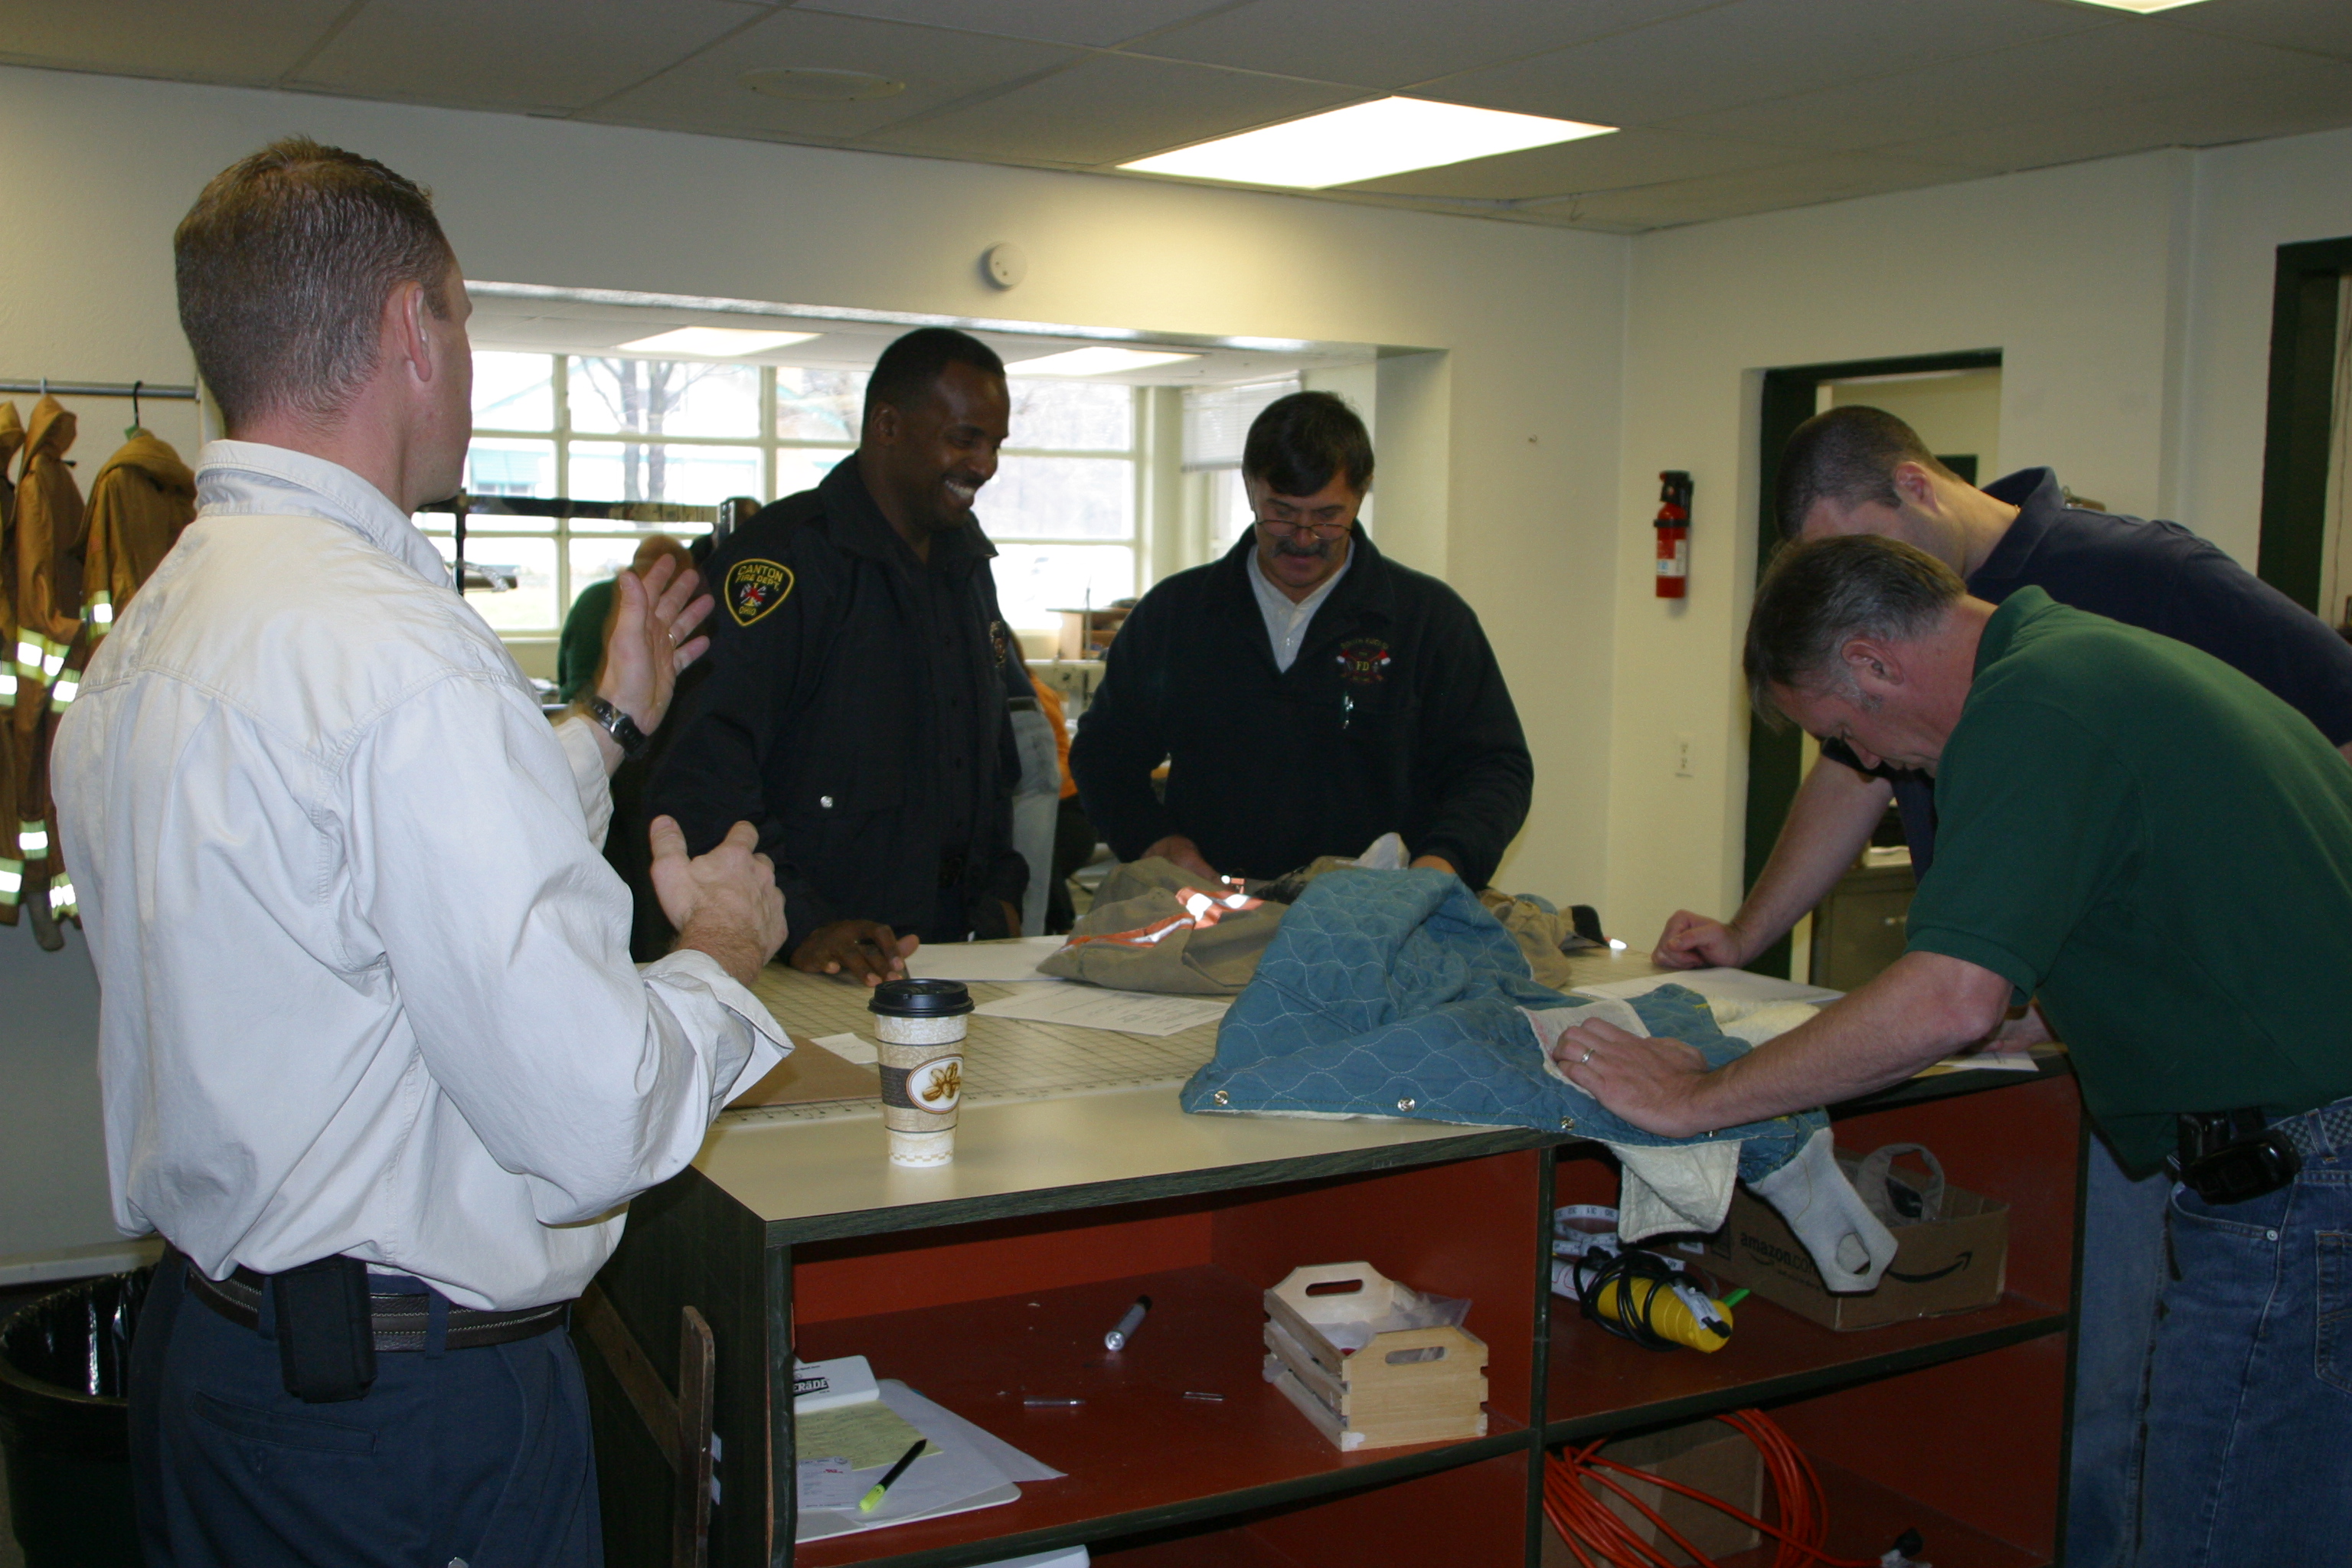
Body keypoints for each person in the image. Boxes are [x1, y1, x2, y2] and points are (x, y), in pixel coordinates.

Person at [52, 139, 789, 1566]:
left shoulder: (158, 630)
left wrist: (609, 726)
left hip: (219, 1370)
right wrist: (718, 954)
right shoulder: (400, 656)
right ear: (412, 328)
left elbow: (350, 874)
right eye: (463, 318)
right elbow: (595, 1119)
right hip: (399, 1426)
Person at [1649, 405, 2352, 1568]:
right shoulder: (2074, 655)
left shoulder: (2035, 708)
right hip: (2309, 1165)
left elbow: (1952, 998)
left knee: (2214, 1529)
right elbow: (2152, 917)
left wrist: (1700, 1096)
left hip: (2300, 1187)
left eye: (1848, 732)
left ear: (1875, 664)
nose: (1871, 766)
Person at [651, 327, 1026, 985]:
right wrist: (802, 922)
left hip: (948, 955)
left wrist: (1001, 891)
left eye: (995, 444)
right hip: (812, 960)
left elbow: (987, 755)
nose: (985, 464)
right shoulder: (785, 563)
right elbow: (706, 770)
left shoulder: (965, 563)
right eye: (965, 438)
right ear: (887, 426)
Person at [1070, 391, 1531, 890]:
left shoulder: (1427, 621)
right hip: (1213, 907)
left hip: (1379, 912)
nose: (1305, 538)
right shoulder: (1176, 615)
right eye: (1283, 513)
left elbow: (1493, 768)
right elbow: (1104, 754)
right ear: (1250, 486)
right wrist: (1157, 844)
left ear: (1362, 494)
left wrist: (1442, 866)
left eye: (1328, 516)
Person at [558, 531, 688, 702]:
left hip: (576, 705)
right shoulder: (664, 608)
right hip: (625, 707)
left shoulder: (592, 596)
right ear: (675, 570)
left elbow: (564, 664)